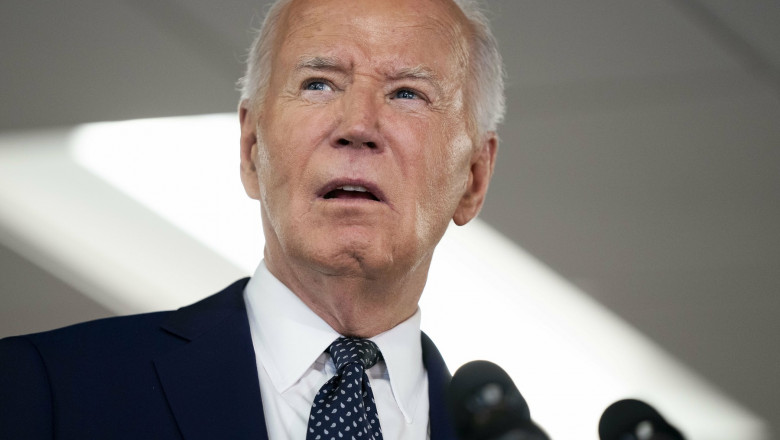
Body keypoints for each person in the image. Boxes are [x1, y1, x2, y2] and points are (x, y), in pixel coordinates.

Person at [0, 0, 504, 438]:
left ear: (474, 179)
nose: (357, 126)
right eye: (319, 84)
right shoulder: (40, 387)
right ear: (250, 149)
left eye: (407, 93)